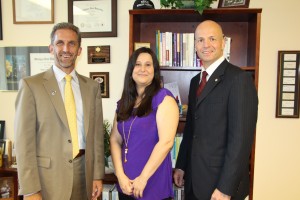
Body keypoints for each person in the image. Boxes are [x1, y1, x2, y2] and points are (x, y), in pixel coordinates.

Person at [15, 22, 105, 200]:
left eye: (72, 43)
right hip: (47, 179)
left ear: (79, 50)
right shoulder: (31, 86)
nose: (66, 48)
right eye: (60, 43)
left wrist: (97, 175)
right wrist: (30, 189)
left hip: (84, 177)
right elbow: (24, 143)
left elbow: (96, 136)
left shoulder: (92, 87)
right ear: (51, 48)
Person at [173, 20, 258, 200]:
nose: (206, 45)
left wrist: (225, 188)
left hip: (220, 187)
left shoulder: (239, 79)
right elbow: (191, 130)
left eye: (212, 39)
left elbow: (241, 141)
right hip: (194, 183)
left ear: (223, 43)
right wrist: (181, 165)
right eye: (200, 40)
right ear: (195, 45)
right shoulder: (196, 81)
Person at [110, 47, 179, 200]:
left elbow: (166, 142)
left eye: (148, 65)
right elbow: (115, 139)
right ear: (131, 70)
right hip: (126, 184)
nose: (143, 69)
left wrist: (143, 178)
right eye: (138, 64)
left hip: (151, 184)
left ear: (154, 70)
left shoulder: (164, 98)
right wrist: (120, 175)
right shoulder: (123, 103)